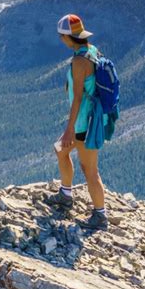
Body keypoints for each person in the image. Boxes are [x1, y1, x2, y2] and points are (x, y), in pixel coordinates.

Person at [46, 13, 108, 230]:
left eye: (61, 36)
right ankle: (65, 194)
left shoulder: (79, 61)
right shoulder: (91, 50)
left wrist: (69, 128)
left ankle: (100, 216)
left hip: (84, 123)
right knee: (60, 151)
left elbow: (78, 98)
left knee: (90, 170)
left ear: (68, 37)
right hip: (88, 119)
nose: (61, 40)